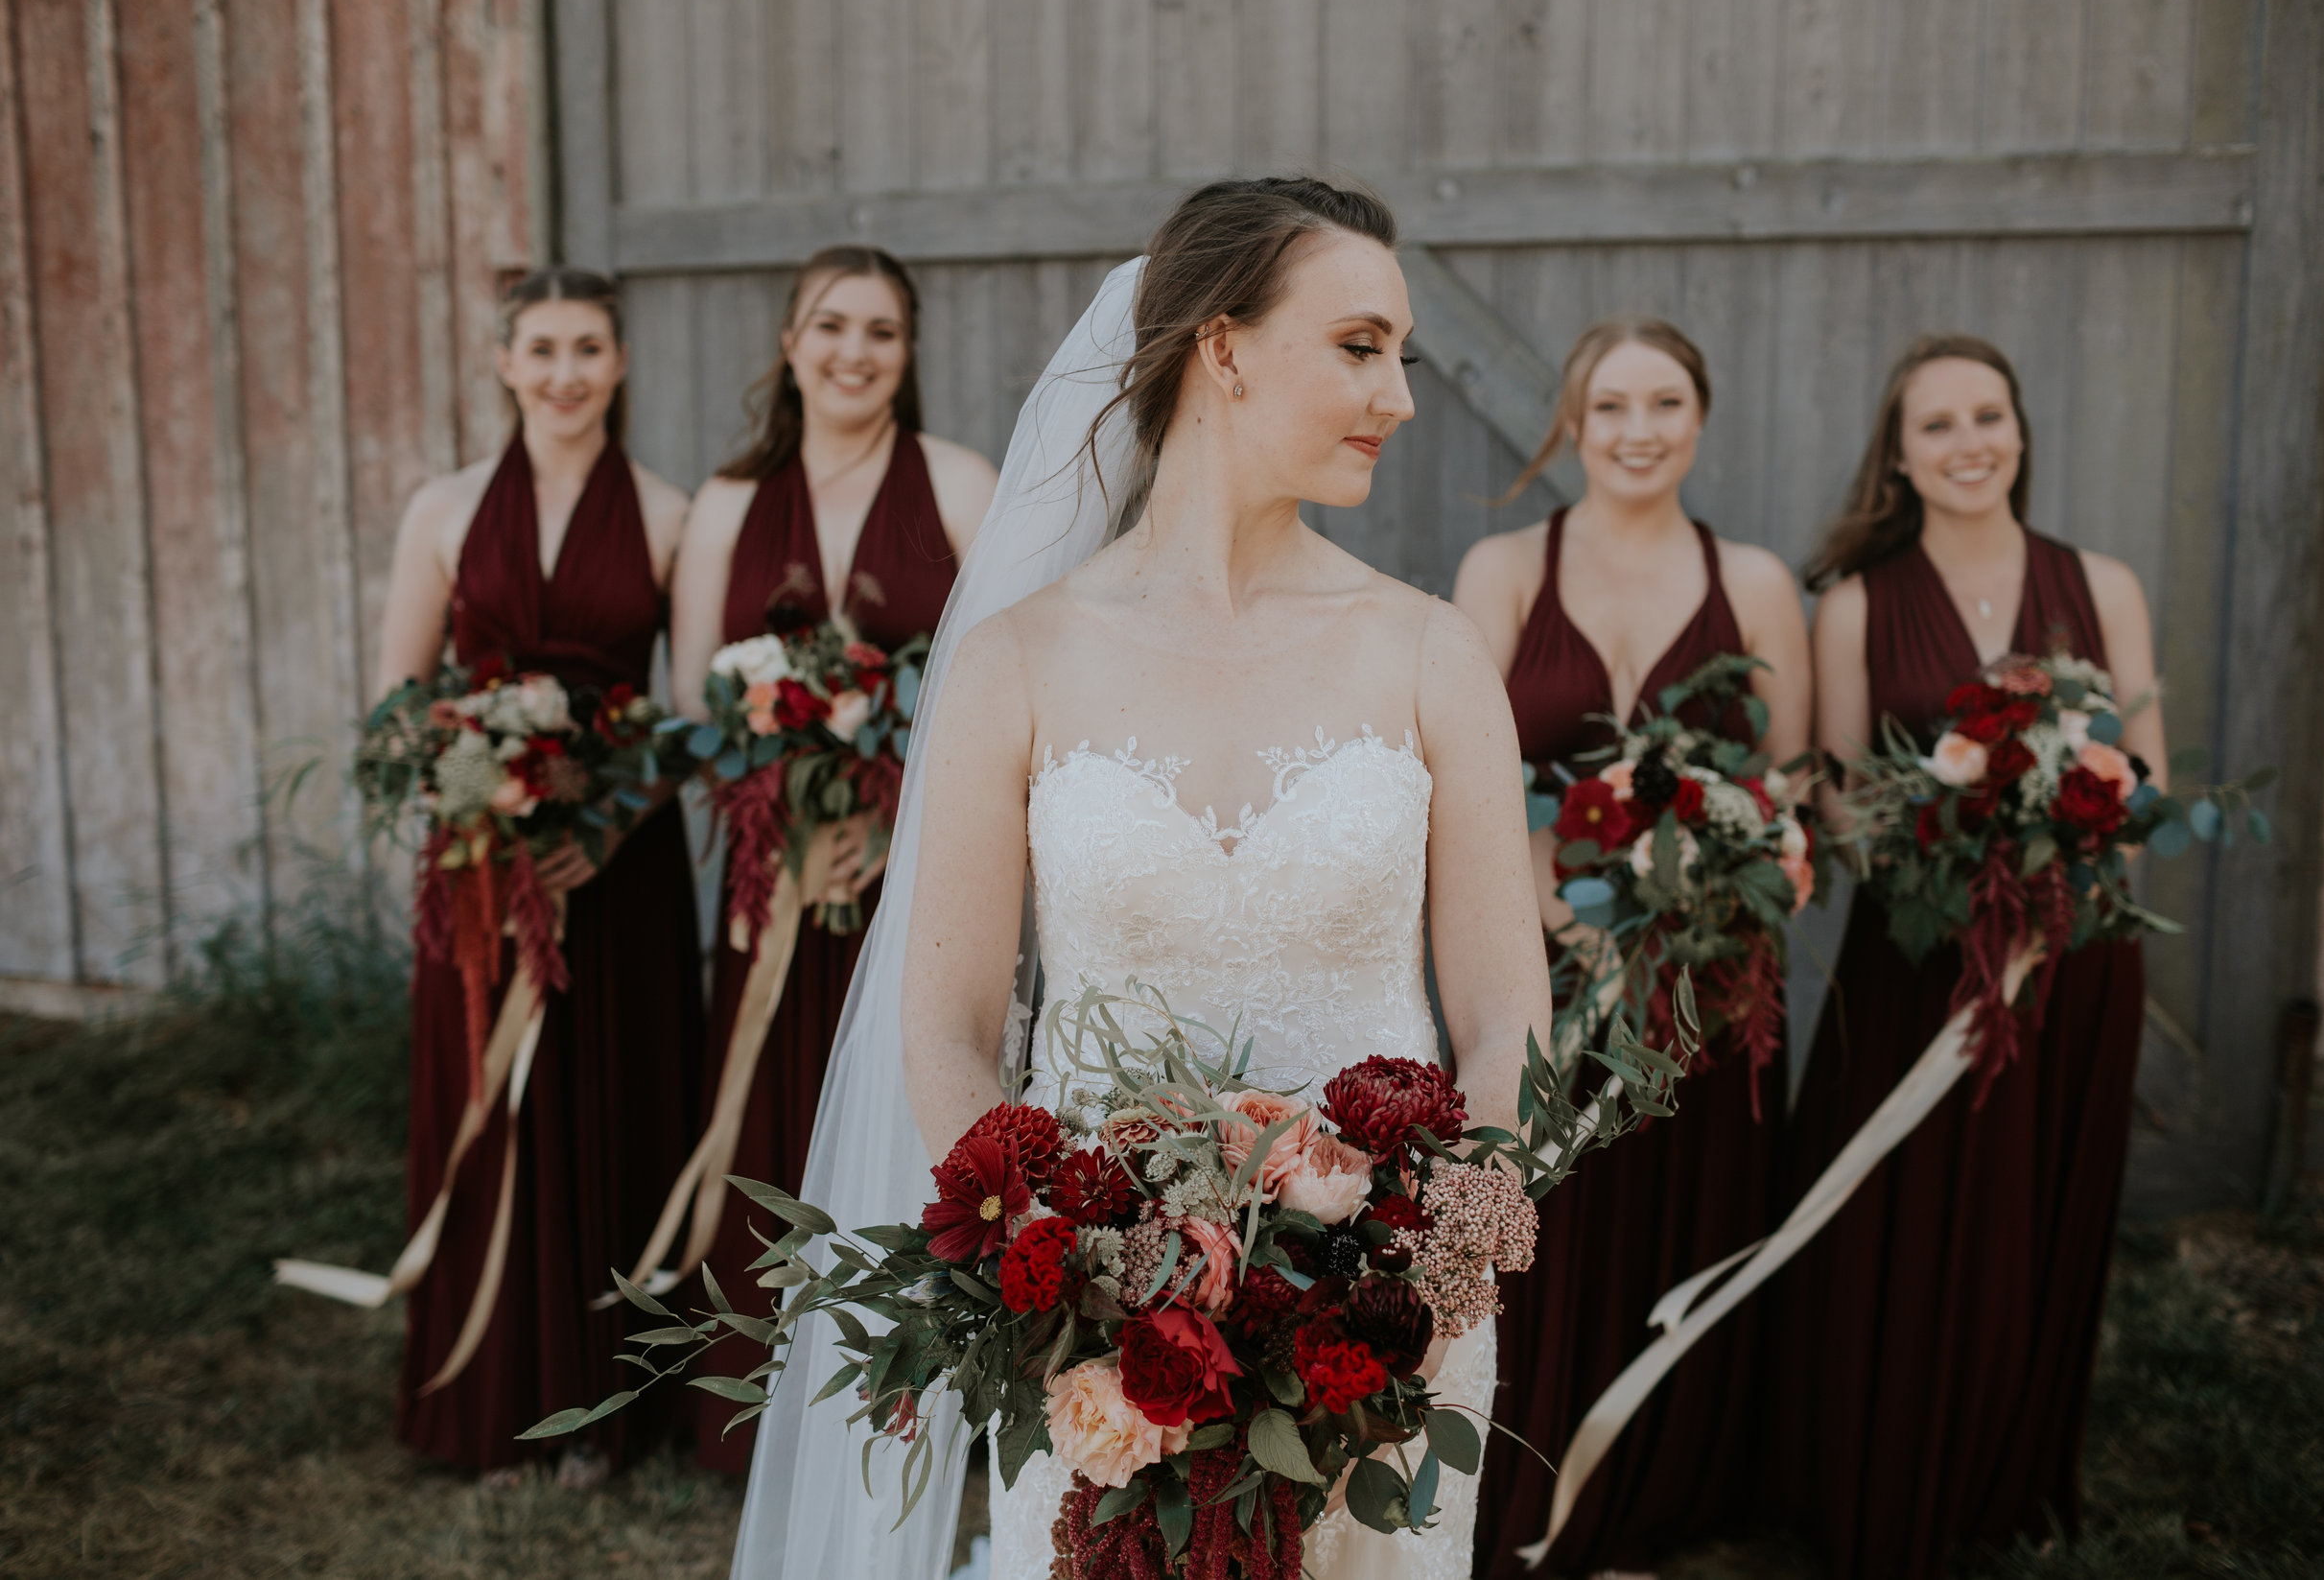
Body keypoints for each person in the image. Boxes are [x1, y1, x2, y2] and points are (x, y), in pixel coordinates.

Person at [729, 178, 1553, 1580]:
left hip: (1384, 1327)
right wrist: (1072, 1278)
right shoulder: (1015, 661)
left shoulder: (1430, 652)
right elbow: (945, 1027)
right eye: (1360, 346)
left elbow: (1502, 1019)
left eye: (1402, 351)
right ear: (1222, 347)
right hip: (1095, 1329)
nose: (1400, 395)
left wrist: (1422, 1266)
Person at [1769, 335, 2163, 1578]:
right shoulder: (1857, 602)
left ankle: (2008, 1470)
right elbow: (1836, 793)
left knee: (2034, 1216)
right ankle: (1874, 1468)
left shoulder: (2102, 583)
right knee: (1897, 1218)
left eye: (1988, 414)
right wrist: (1943, 854)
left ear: (2021, 430)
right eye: (1937, 424)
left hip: (2073, 959)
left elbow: (2143, 783)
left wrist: (2067, 865)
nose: (1969, 441)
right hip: (1917, 961)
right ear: (1899, 454)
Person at [1453, 319, 1810, 1577]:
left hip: (1703, 978)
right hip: (1537, 959)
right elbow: (1463, 780)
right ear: (1572, 423)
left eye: (1665, 403)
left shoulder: (1756, 582)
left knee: (1685, 1214)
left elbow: (1782, 795)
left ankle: (1668, 1489)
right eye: (1612, 406)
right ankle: (1528, 1479)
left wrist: (1702, 903)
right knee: (1550, 1223)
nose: (1639, 429)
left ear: (1699, 419)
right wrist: (1558, 917)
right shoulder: (1502, 570)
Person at [374, 268, 706, 1485]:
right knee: (494, 1111)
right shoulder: (445, 512)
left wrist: (607, 818)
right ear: (504, 363)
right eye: (542, 349)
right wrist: (479, 786)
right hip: (483, 865)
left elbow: (691, 714)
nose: (564, 372)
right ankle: (491, 1402)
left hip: (615, 866)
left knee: (612, 1103)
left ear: (619, 364)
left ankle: (606, 1411)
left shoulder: (670, 515)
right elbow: (397, 705)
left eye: (588, 348)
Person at [667, 245, 995, 1473]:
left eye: (881, 332)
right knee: (775, 1125)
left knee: (915, 1135)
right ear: (789, 342)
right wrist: (788, 817)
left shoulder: (960, 486)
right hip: (779, 883)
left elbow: (1006, 688)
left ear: (908, 357)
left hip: (922, 882)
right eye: (830, 326)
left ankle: (919, 1408)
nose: (853, 352)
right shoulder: (726, 506)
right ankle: (763, 1416)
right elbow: (698, 705)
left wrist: (892, 818)